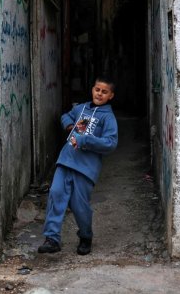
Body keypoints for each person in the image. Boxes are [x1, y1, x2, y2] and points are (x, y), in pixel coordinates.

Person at [38, 77, 118, 255]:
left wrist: (86, 140)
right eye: (97, 89)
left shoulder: (108, 118)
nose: (100, 93)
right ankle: (52, 238)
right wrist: (68, 124)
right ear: (92, 89)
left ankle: (85, 236)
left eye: (104, 92)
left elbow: (111, 143)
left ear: (110, 96)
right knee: (56, 193)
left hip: (86, 168)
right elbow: (66, 115)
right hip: (66, 160)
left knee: (79, 205)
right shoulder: (81, 108)